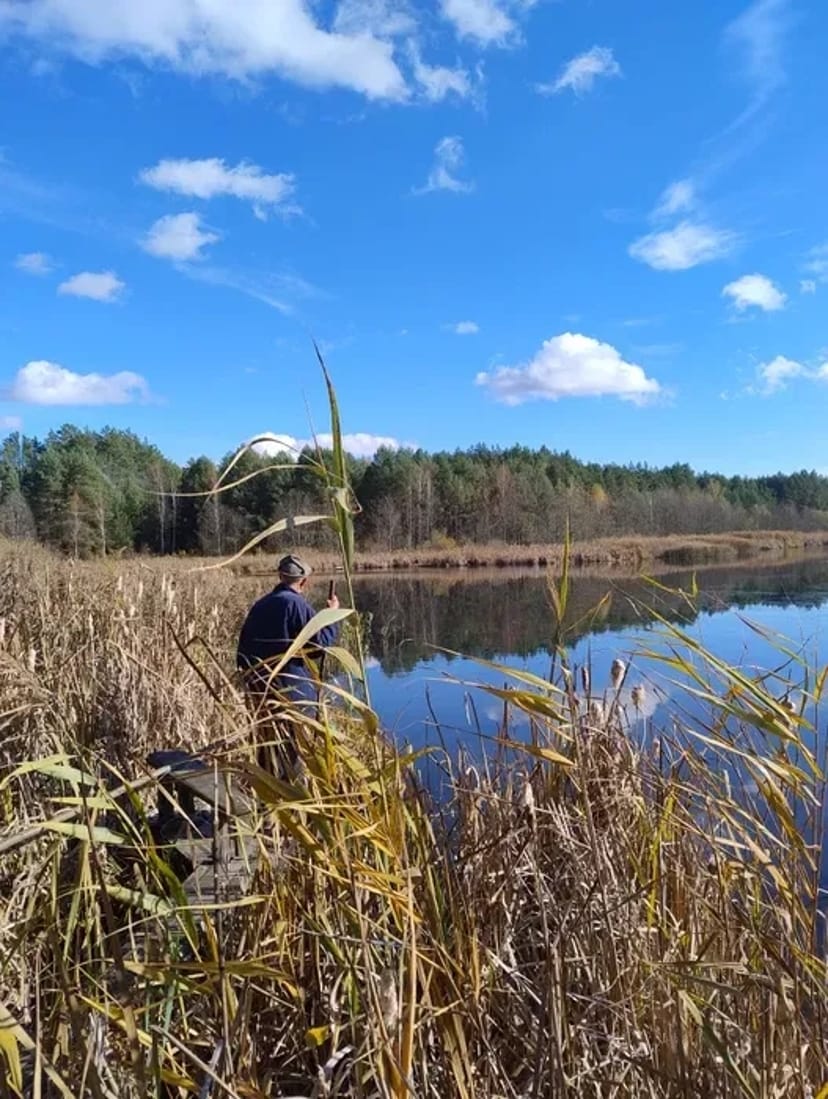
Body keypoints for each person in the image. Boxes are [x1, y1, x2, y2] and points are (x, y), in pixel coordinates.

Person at [236, 553, 340, 777]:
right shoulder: (296, 604)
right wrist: (331, 617)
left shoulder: (260, 605)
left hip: (260, 692)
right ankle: (293, 804)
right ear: (304, 581)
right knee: (294, 753)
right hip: (292, 695)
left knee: (266, 748)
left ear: (280, 576)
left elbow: (241, 653)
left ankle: (267, 800)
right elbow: (318, 647)